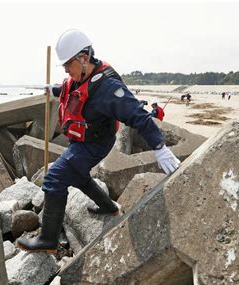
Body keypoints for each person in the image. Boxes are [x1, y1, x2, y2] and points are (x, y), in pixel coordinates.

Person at [16, 29, 180, 254]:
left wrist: (160, 148)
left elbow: (137, 115)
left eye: (67, 65)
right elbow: (69, 89)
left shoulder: (109, 88)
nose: (65, 70)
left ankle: (48, 240)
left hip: (95, 144)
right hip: (80, 141)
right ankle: (108, 207)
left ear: (83, 59)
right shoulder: (80, 76)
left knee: (54, 178)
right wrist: (51, 90)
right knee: (77, 175)